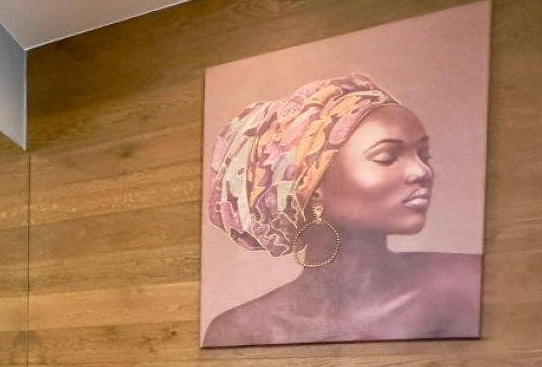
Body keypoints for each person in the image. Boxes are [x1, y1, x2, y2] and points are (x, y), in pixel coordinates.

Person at [201, 73, 480, 347]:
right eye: (387, 157)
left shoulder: (466, 282)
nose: (422, 171)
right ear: (311, 186)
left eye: (424, 155)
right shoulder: (239, 331)